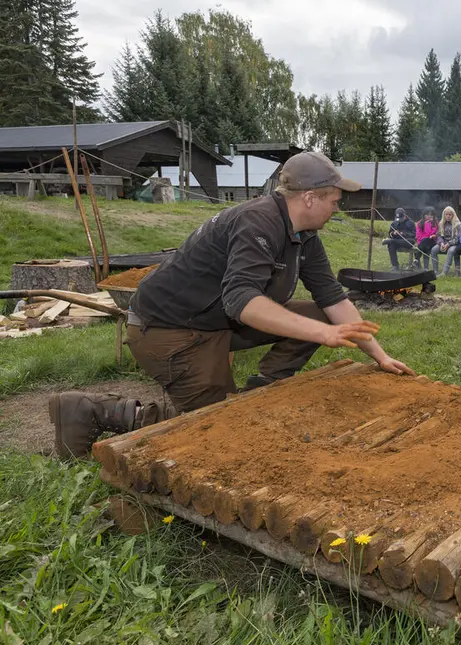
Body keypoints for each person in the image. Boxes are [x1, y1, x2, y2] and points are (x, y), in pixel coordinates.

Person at [49, 152, 414, 459]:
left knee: (318, 315)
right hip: (168, 329)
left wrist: (379, 355)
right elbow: (241, 300)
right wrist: (323, 333)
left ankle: (260, 392)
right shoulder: (259, 221)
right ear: (309, 198)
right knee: (214, 425)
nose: (338, 207)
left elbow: (332, 299)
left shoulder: (304, 237)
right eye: (335, 199)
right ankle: (91, 410)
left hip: (215, 322)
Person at [435, 206, 460, 277]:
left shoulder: (457, 224)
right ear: (444, 215)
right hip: (443, 242)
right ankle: (435, 271)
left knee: (451, 251)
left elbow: (457, 238)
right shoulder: (441, 223)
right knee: (434, 249)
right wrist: (441, 243)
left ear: (453, 215)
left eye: (450, 214)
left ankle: (444, 272)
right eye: (446, 214)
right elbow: (439, 235)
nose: (448, 216)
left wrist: (448, 244)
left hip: (454, 244)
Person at [415, 207, 439, 271]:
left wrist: (429, 223)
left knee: (425, 242)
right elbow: (418, 235)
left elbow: (432, 234)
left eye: (431, 215)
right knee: (425, 247)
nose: (429, 216)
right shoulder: (419, 223)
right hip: (423, 243)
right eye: (427, 214)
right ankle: (426, 268)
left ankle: (416, 259)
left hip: (432, 241)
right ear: (424, 215)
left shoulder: (435, 223)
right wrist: (421, 241)